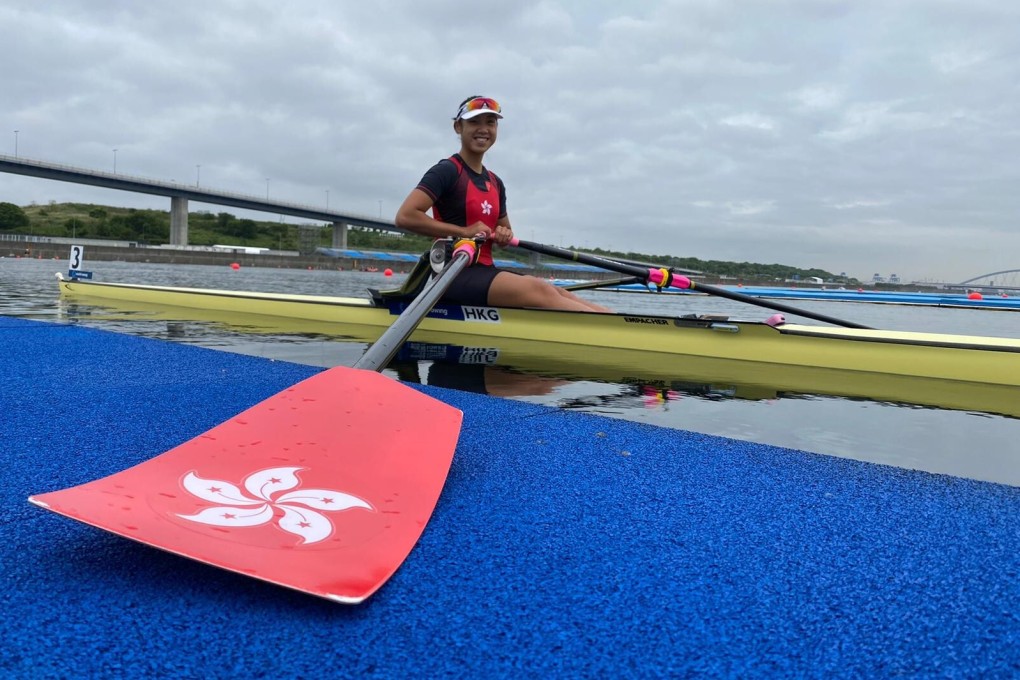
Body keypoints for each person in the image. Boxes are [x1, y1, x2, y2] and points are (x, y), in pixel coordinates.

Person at [395, 95, 610, 312]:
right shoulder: (447, 171)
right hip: (452, 274)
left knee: (555, 290)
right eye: (474, 122)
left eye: (490, 122)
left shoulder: (495, 182)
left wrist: (504, 235)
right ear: (458, 127)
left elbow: (504, 232)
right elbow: (406, 216)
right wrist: (465, 231)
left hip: (485, 270)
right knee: (539, 289)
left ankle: (616, 320)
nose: (483, 129)